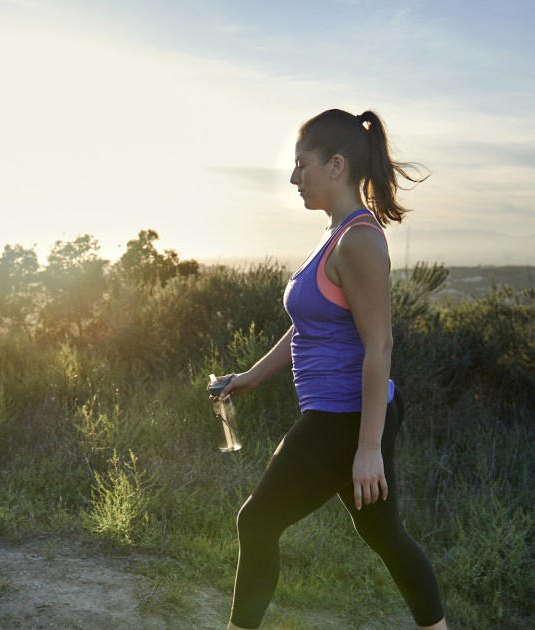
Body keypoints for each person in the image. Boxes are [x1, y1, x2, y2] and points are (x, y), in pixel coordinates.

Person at [215, 109, 447, 630]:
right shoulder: (336, 233)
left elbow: (379, 345)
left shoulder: (358, 241)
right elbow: (309, 324)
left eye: (302, 165)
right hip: (345, 415)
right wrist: (250, 377)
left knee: (256, 521)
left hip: (345, 419)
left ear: (336, 165)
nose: (295, 178)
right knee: (385, 535)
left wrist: (367, 448)